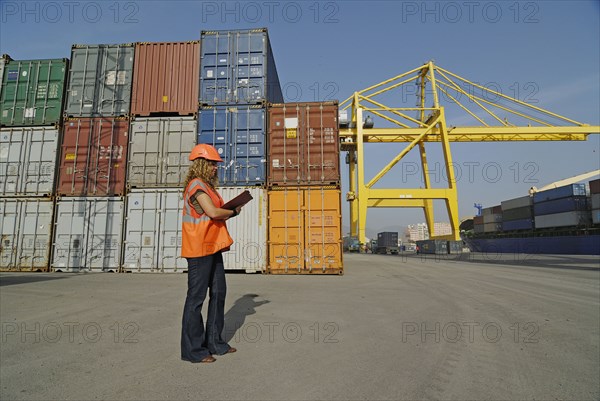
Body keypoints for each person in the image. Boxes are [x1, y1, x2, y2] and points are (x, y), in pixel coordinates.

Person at [180, 144, 242, 364]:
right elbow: (214, 212)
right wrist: (233, 211)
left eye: (216, 164)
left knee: (219, 293)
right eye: (213, 164)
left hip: (212, 246)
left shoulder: (208, 186)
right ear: (201, 164)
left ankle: (215, 342)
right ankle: (193, 350)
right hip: (198, 250)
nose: (216, 167)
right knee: (196, 299)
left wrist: (231, 210)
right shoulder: (196, 185)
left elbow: (217, 212)